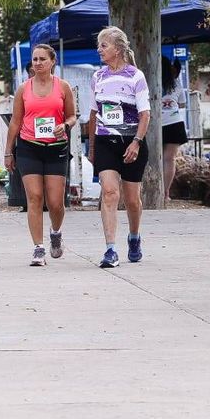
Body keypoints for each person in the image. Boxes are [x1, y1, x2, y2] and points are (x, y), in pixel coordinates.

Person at [4, 44, 76, 266]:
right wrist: (9, 151)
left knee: (55, 202)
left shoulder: (63, 87)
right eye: (34, 59)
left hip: (56, 147)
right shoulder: (23, 89)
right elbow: (16, 121)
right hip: (29, 146)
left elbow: (73, 116)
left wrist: (64, 125)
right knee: (34, 197)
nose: (37, 63)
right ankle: (38, 248)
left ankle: (55, 233)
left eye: (42, 59)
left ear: (52, 61)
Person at [86, 28, 149, 268]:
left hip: (131, 142)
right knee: (110, 193)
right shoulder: (97, 77)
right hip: (105, 142)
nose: (99, 49)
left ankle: (134, 237)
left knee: (132, 200)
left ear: (118, 49)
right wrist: (92, 147)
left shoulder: (136, 76)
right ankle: (110, 249)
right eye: (99, 45)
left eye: (104, 45)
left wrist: (137, 142)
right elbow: (93, 114)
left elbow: (145, 115)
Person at [160, 55, 188, 203]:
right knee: (169, 159)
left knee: (154, 159)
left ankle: (156, 190)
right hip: (174, 122)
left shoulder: (149, 81)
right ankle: (165, 193)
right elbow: (182, 103)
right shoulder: (176, 84)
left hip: (155, 125)